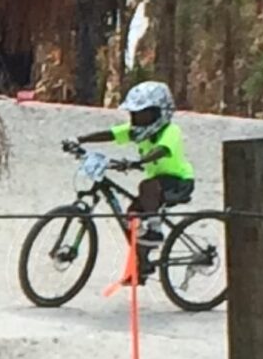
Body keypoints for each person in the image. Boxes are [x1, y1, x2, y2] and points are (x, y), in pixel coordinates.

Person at [64, 80, 194, 280]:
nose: (137, 119)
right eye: (134, 114)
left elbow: (161, 150)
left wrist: (137, 162)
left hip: (178, 182)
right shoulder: (136, 130)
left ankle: (156, 229)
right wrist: (80, 140)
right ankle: (142, 265)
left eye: (143, 114)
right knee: (132, 217)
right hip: (155, 185)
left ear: (159, 113)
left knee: (147, 186)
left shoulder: (171, 131)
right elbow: (111, 134)